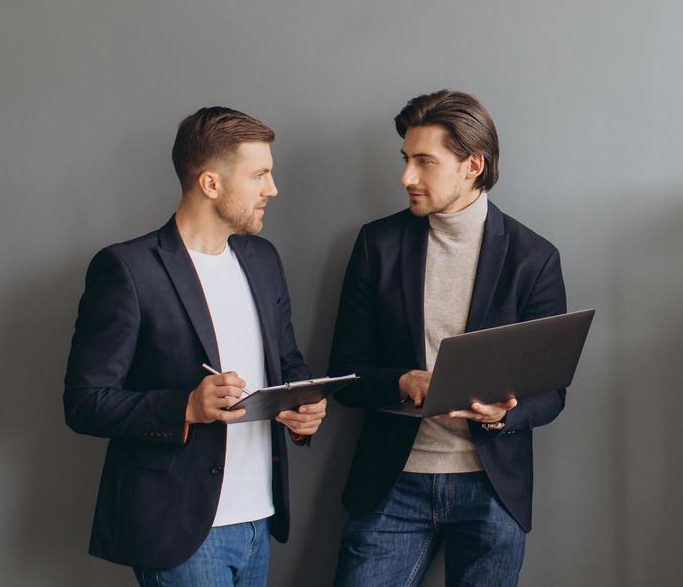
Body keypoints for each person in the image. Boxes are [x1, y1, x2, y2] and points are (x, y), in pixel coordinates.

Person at [63, 107, 327, 585]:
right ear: (210, 183)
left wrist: (302, 408)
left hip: (258, 520)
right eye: (260, 175)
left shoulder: (262, 259)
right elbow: (84, 403)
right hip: (182, 529)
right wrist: (185, 406)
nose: (273, 189)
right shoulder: (128, 269)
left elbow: (287, 362)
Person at [328, 90, 568, 587]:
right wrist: (403, 382)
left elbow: (552, 393)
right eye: (405, 159)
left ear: (472, 165)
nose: (406, 178)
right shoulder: (378, 245)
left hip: (493, 489)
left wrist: (504, 417)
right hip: (392, 485)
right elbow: (345, 373)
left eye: (423, 162)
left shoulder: (533, 258)